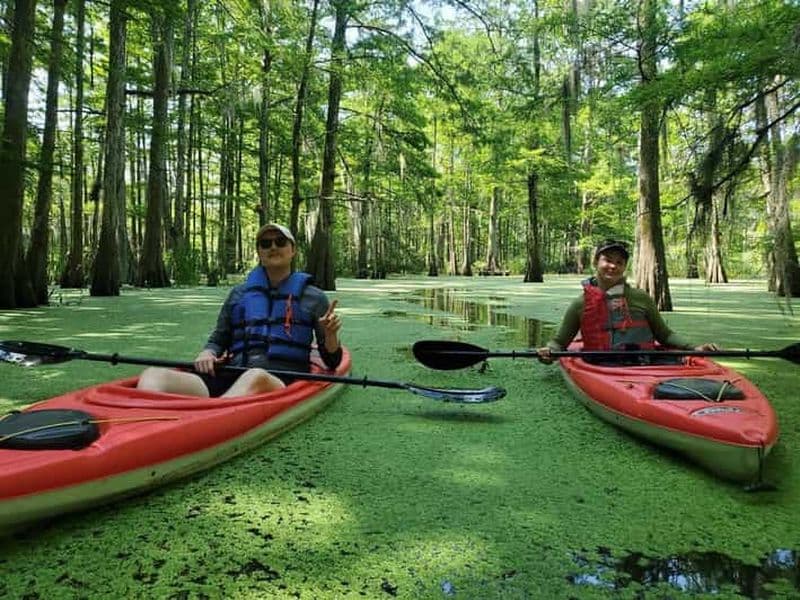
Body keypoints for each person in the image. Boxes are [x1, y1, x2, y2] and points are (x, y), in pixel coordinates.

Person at [137, 223, 343, 397]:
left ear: (293, 250)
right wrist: (207, 352)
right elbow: (219, 339)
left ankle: (213, 417)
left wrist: (330, 335)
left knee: (256, 376)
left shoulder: (314, 298)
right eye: (265, 244)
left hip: (281, 381)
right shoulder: (238, 294)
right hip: (233, 374)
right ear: (259, 252)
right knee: (153, 375)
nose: (273, 247)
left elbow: (332, 362)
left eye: (280, 242)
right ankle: (141, 428)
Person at [537, 239, 718, 364]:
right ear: (595, 262)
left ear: (624, 267)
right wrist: (548, 352)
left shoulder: (641, 298)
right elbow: (560, 342)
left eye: (620, 262)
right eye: (607, 260)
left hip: (643, 363)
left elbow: (665, 335)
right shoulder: (580, 304)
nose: (613, 266)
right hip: (600, 365)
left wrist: (695, 348)